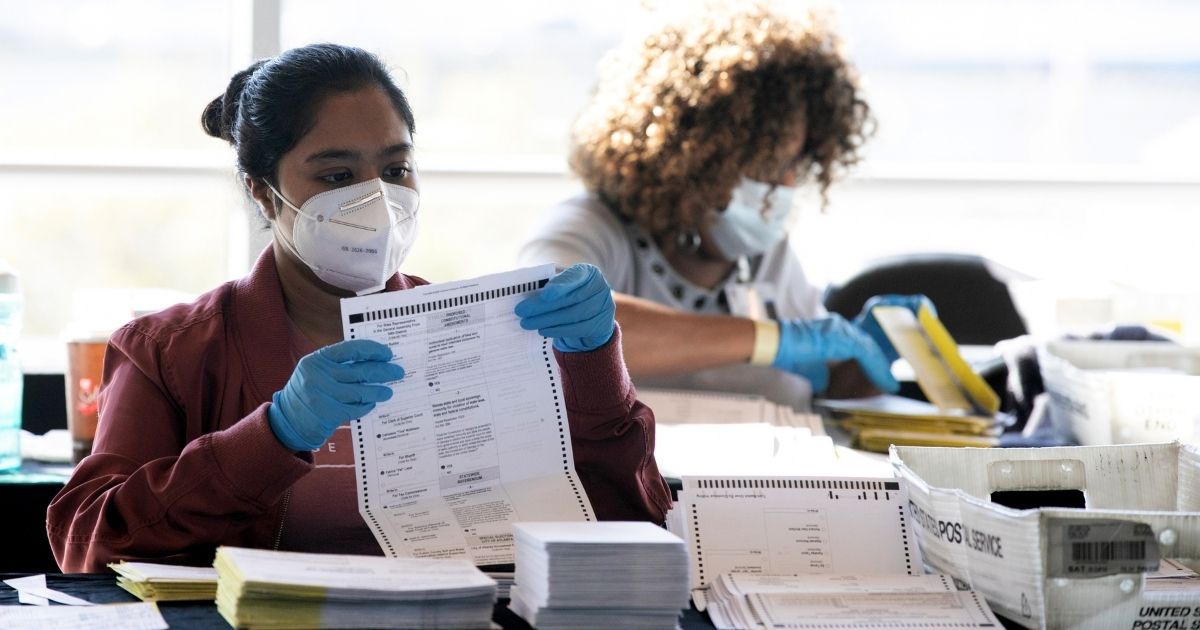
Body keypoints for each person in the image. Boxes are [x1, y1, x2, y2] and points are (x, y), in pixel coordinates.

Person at [47, 43, 670, 573]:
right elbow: (86, 542)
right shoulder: (171, 350)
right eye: (336, 175)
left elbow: (627, 524)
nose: (377, 198)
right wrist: (271, 435)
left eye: (396, 168)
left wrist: (593, 365)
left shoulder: (481, 334)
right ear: (262, 193)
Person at [518, 4, 929, 409]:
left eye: (795, 165)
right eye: (770, 165)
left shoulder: (767, 254)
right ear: (696, 155)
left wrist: (870, 359)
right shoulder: (588, 226)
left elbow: (820, 383)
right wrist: (770, 339)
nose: (787, 185)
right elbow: (546, 321)